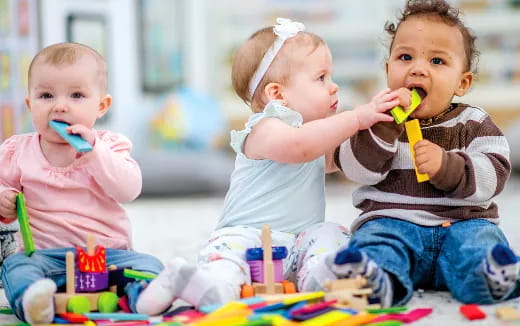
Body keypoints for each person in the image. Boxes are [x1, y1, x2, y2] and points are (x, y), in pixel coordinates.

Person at [136, 18, 406, 315]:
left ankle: (323, 274)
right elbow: (299, 147)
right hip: (248, 235)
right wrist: (356, 117)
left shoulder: (313, 133)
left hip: (299, 242)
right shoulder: (266, 128)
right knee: (228, 260)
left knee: (330, 232)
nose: (334, 87)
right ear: (277, 94)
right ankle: (200, 282)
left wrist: (380, 126)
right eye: (321, 78)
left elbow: (348, 159)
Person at [331, 0, 519, 307]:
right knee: (376, 242)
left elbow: (494, 175)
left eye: (437, 61)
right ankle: (376, 280)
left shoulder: (473, 122)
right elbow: (354, 169)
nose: (418, 68)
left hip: (462, 224)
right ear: (389, 68)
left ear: (463, 82)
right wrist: (384, 129)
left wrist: (449, 166)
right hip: (393, 224)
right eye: (405, 57)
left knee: (479, 243)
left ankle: (490, 277)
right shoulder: (375, 118)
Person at [0, 42, 163, 323]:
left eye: (76, 95)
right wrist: (3, 199)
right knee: (14, 266)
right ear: (30, 104)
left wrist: (95, 152)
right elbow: (3, 192)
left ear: (101, 106)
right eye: (46, 95)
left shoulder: (110, 146)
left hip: (107, 255)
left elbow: (129, 189)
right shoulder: (17, 151)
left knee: (151, 265)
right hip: (46, 258)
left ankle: (145, 298)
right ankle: (34, 301)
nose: (60, 106)